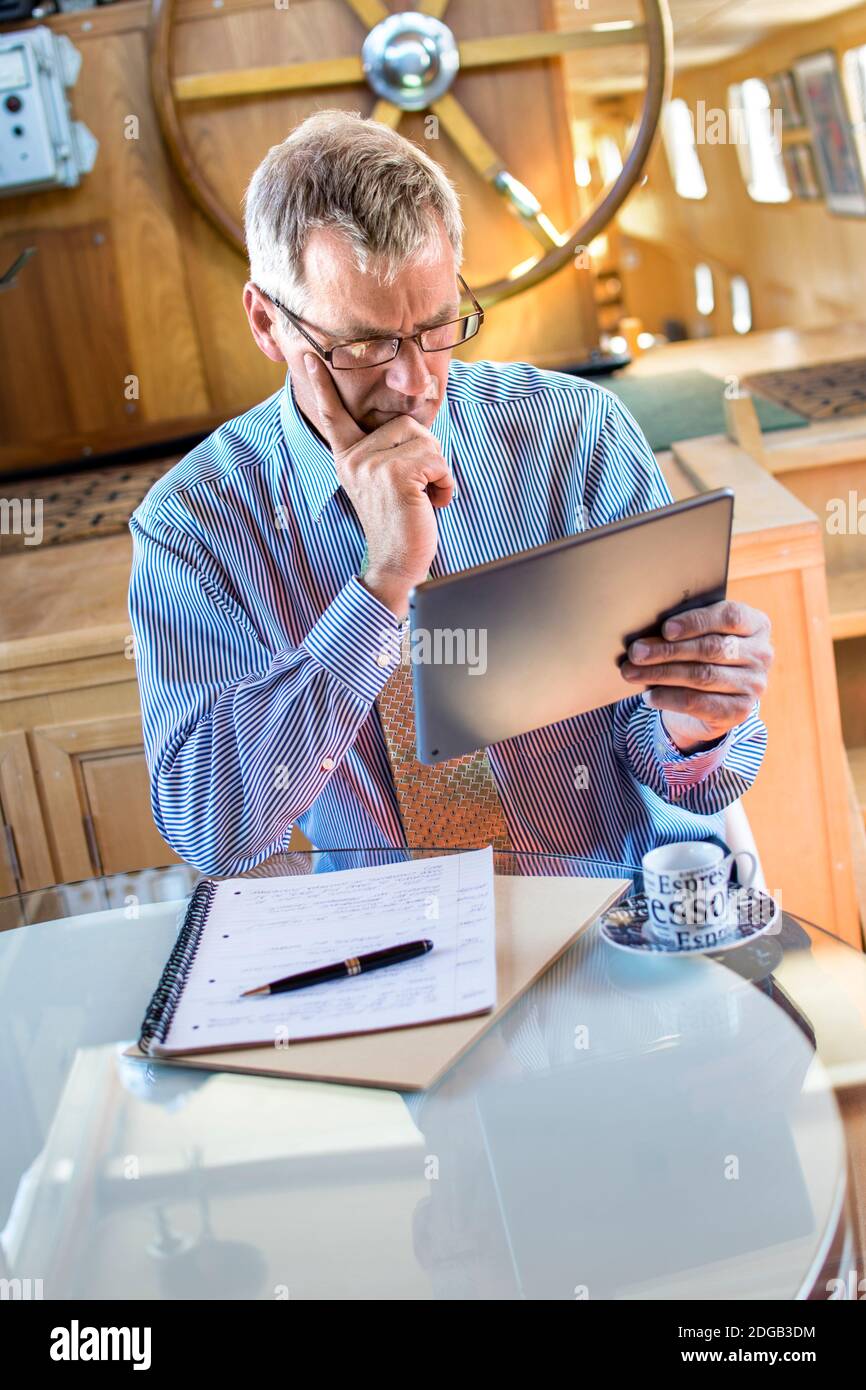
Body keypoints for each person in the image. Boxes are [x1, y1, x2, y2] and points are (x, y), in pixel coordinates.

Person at [128, 109, 773, 877]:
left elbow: (678, 773)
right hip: (389, 948)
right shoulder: (192, 526)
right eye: (365, 344)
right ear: (269, 324)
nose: (413, 383)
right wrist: (384, 584)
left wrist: (695, 723)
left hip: (615, 913)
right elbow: (215, 831)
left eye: (437, 327)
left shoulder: (577, 433)